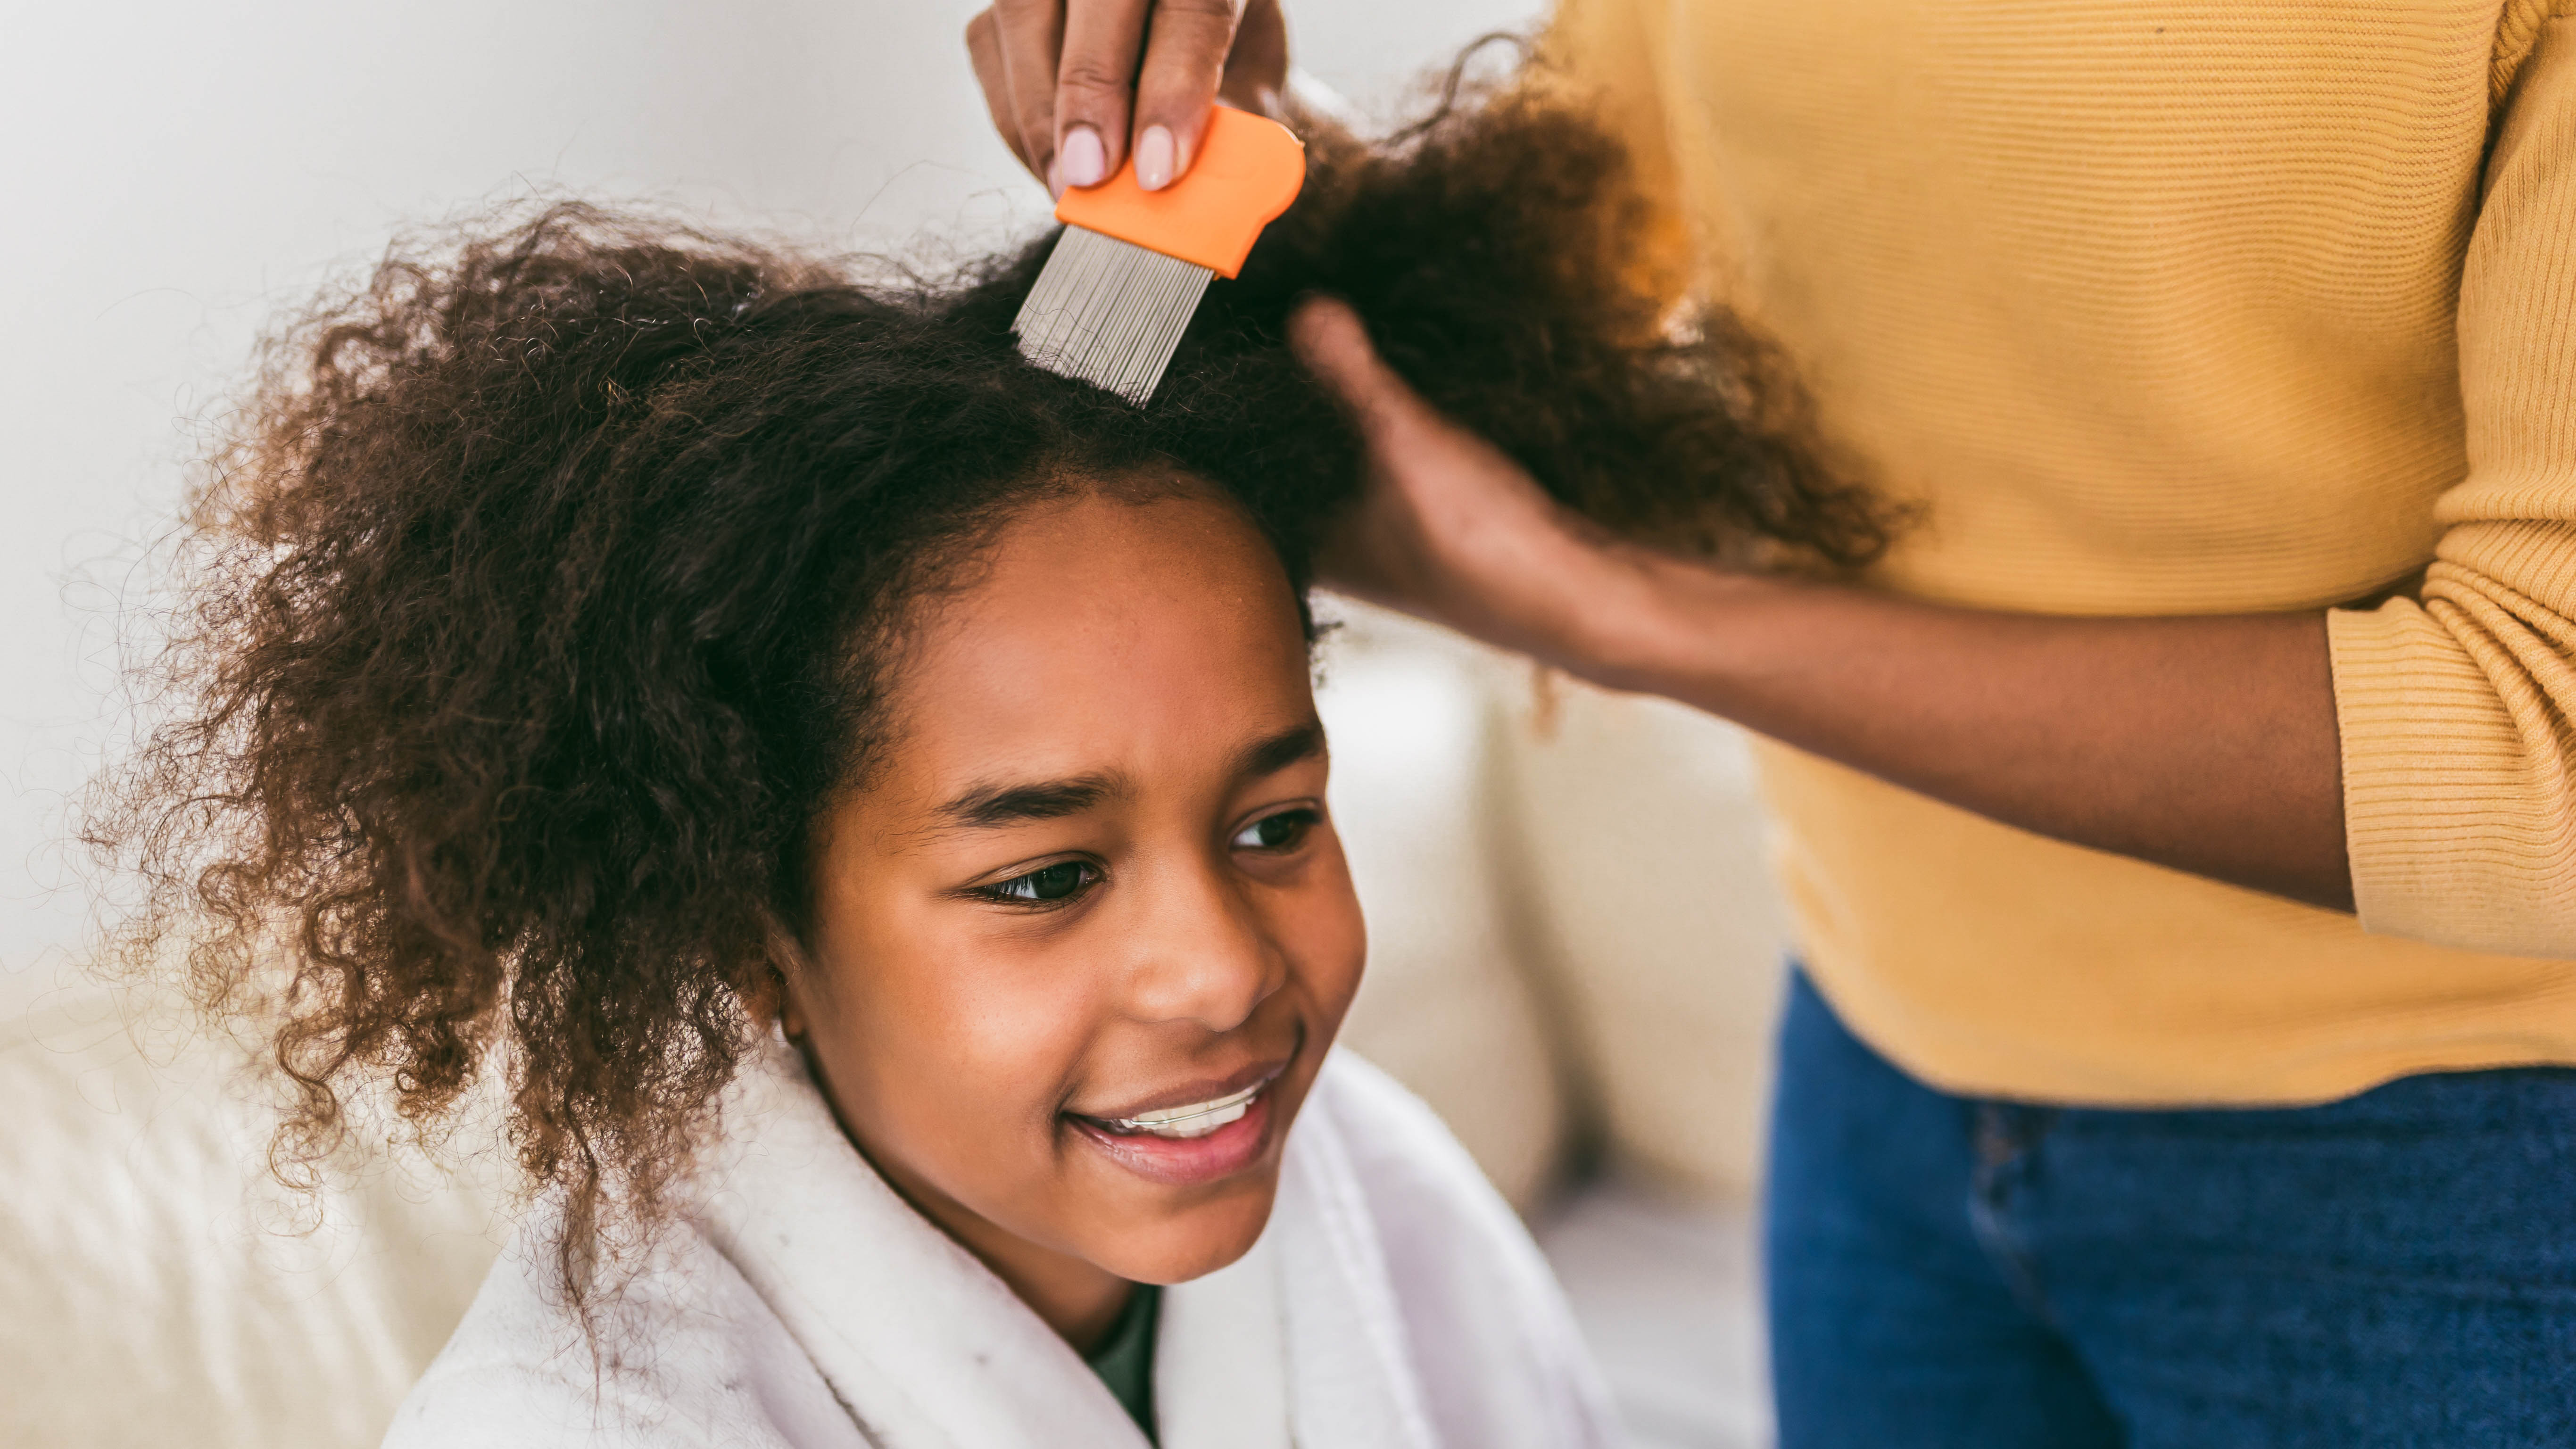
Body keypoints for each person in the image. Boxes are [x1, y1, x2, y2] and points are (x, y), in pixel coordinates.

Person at [91, 82, 1879, 1448]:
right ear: (745, 919)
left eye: (1275, 820)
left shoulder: (1382, 1197)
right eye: (1042, 875)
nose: (1225, 971)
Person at [966, 2, 2576, 1444]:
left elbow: (2541, 752)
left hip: (2467, 1160)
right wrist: (1262, 146)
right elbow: (1559, 297)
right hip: (1875, 1069)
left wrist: (1635, 620)